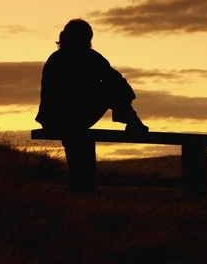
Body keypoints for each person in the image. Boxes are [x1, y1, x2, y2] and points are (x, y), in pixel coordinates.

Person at [35, 18, 149, 194]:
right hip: (68, 118)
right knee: (111, 89)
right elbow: (118, 83)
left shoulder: (57, 58)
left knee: (79, 142)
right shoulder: (87, 57)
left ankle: (82, 188)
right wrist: (123, 98)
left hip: (54, 119)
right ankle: (133, 123)